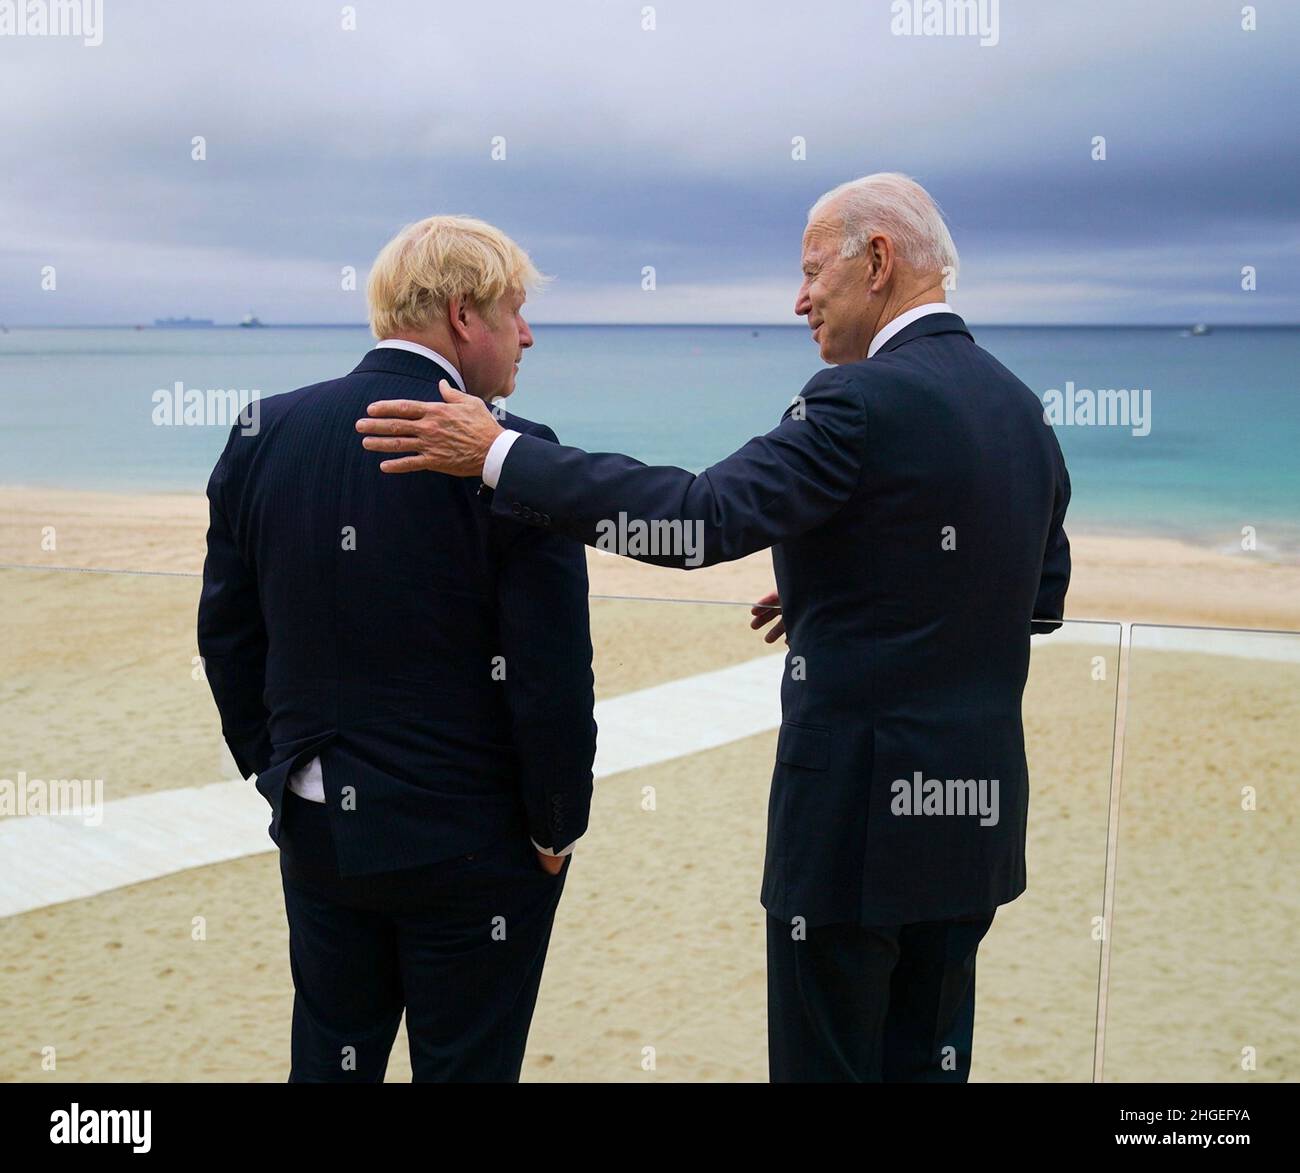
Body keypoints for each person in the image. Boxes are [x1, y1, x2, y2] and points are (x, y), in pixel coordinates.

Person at [355, 174, 1072, 1082]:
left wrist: (499, 454)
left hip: (854, 828)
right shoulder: (1021, 407)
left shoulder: (853, 401)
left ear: (879, 262)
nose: (799, 298)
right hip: (973, 821)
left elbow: (696, 521)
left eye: (813, 271)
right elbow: (1035, 596)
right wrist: (835, 594)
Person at [198, 214, 596, 1081]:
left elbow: (227, 634)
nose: (527, 334)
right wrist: (557, 824)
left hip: (318, 827)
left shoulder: (264, 431)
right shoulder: (516, 460)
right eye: (516, 311)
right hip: (475, 842)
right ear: (463, 315)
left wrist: (279, 767)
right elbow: (551, 674)